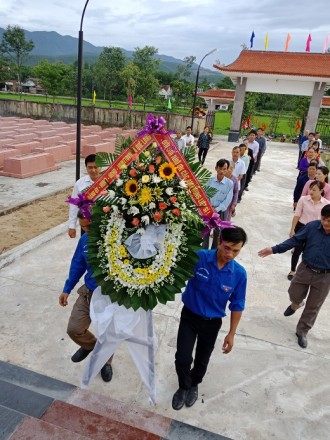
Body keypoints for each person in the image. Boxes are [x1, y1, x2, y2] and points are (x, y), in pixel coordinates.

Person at [172, 226, 248, 410]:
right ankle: (183, 386)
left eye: (236, 250)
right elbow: (176, 268)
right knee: (183, 357)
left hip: (212, 323)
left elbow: (237, 305)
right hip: (189, 316)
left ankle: (194, 384)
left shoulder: (239, 274)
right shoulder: (199, 258)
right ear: (220, 241)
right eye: (227, 248)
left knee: (202, 359)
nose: (230, 254)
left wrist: (231, 334)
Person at [258, 204, 330, 349]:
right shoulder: (312, 227)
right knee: (294, 293)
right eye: (323, 219)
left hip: (325, 276)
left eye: (329, 221)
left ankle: (302, 332)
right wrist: (274, 249)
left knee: (313, 306)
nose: (325, 223)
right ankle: (296, 304)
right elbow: (294, 241)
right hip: (305, 269)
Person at [59, 211, 113, 382]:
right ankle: (91, 346)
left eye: (90, 226)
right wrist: (67, 288)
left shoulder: (115, 239)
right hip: (89, 291)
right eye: (83, 227)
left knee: (107, 333)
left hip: (109, 296)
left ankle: (106, 362)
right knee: (74, 329)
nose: (87, 230)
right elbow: (77, 264)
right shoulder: (85, 240)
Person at [287, 181, 329, 280]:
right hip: (302, 227)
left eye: (314, 190)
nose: (311, 191)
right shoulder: (303, 199)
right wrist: (292, 229)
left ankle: (303, 271)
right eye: (310, 189)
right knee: (297, 250)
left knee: (309, 251)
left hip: (317, 230)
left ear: (321, 191)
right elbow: (297, 215)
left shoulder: (326, 203)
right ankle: (293, 270)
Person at [202, 159, 233, 249]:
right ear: (216, 168)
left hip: (220, 212)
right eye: (220, 168)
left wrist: (217, 209)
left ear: (227, 170)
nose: (222, 171)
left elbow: (227, 200)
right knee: (205, 232)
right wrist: (209, 208)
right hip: (208, 210)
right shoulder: (210, 181)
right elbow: (204, 194)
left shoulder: (229, 184)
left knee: (218, 234)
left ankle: (214, 252)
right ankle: (204, 251)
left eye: (224, 169)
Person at [68, 154, 101, 238]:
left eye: (95, 167)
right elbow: (74, 205)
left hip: (105, 222)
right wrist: (72, 226)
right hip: (86, 224)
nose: (93, 170)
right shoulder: (80, 184)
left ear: (101, 167)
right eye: (90, 167)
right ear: (86, 167)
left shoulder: (108, 181)